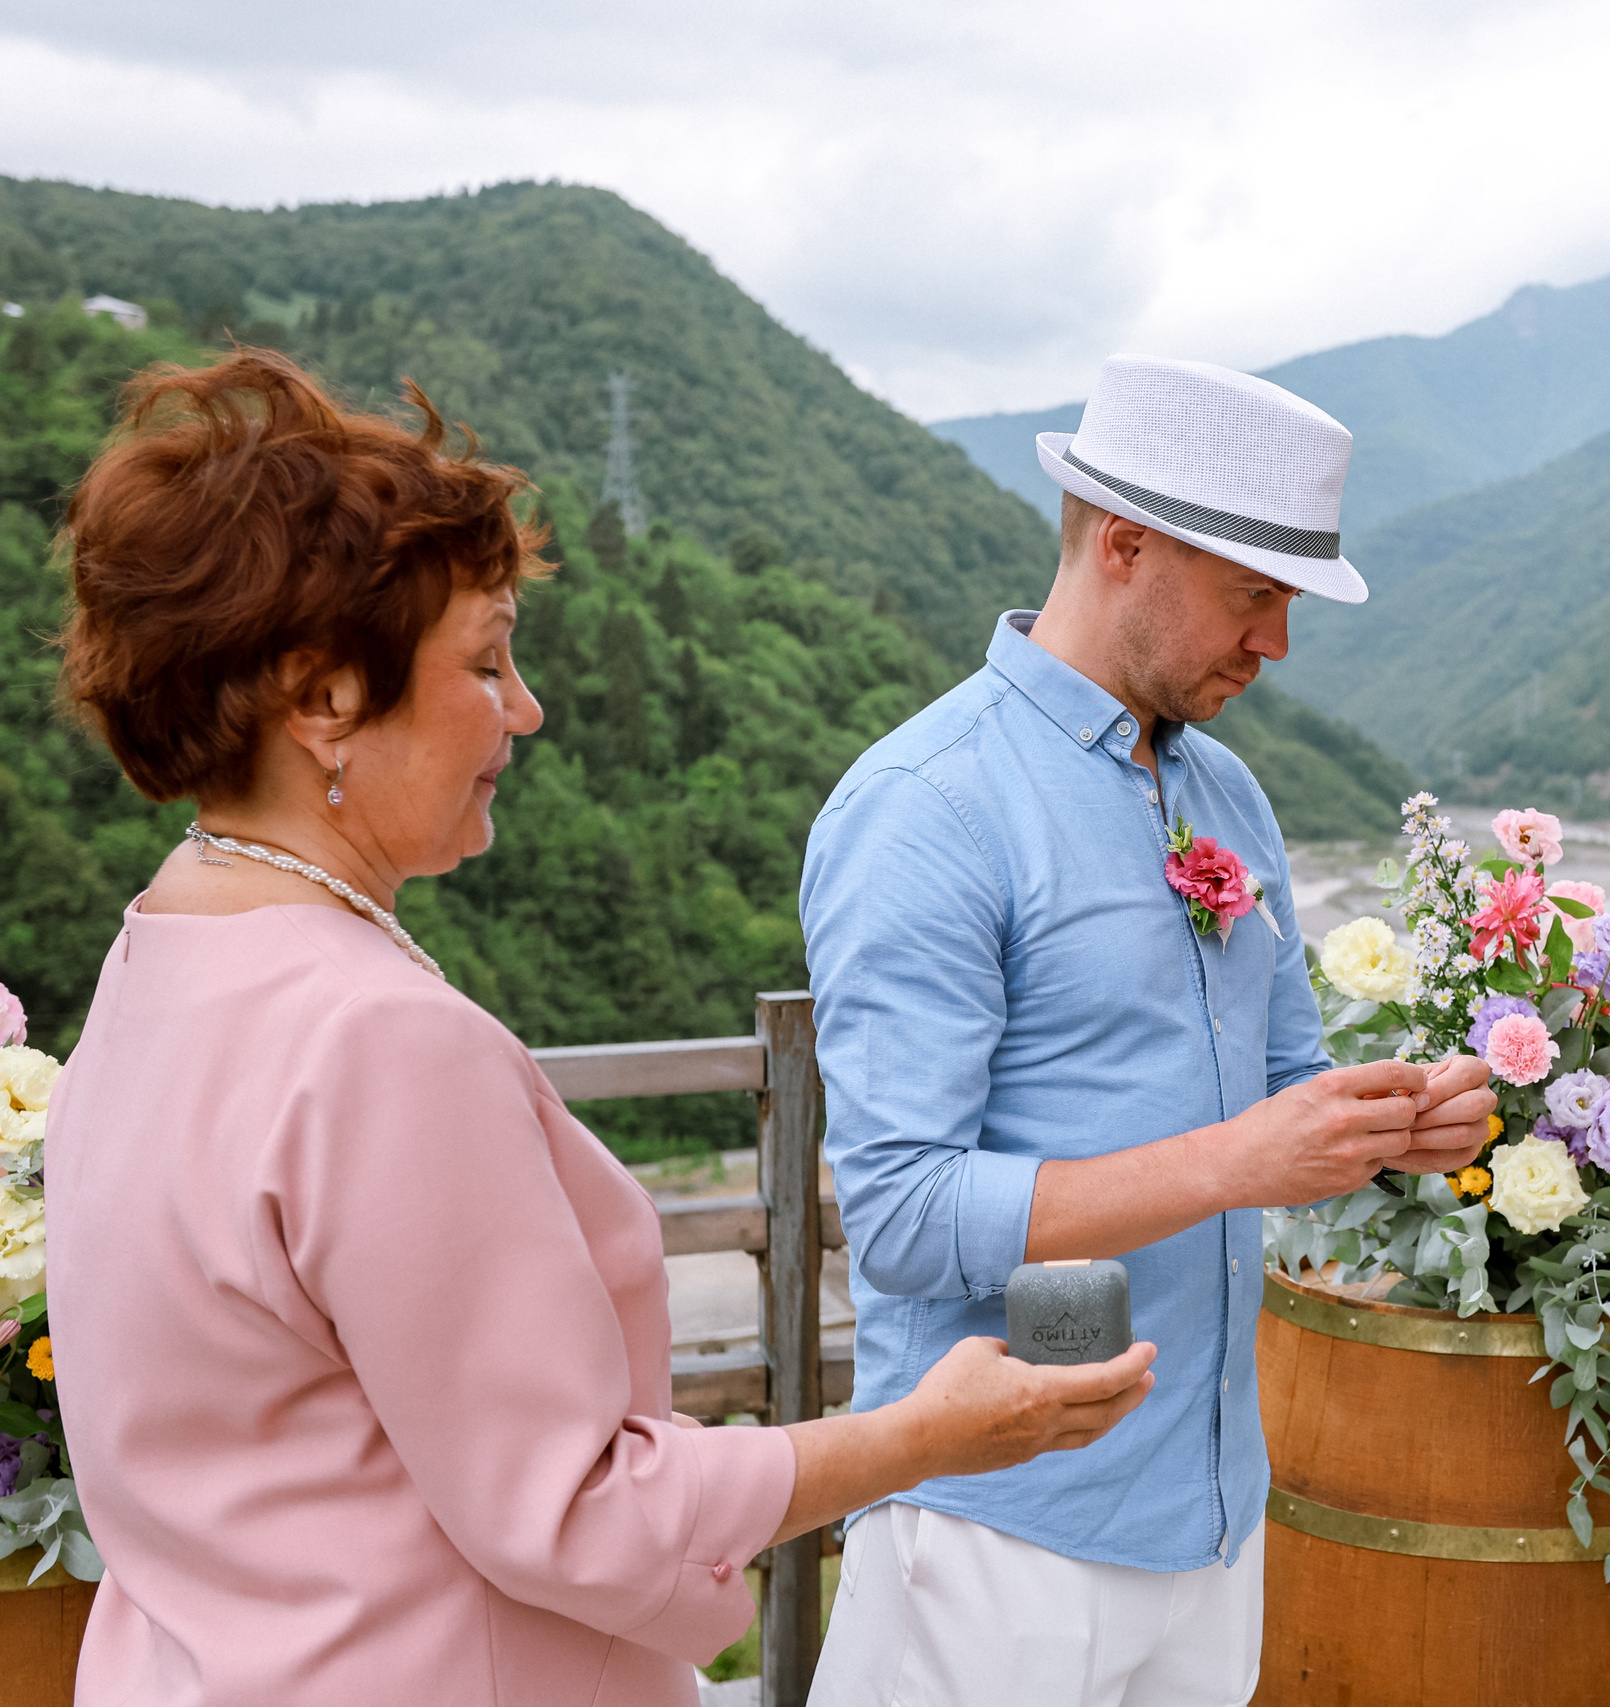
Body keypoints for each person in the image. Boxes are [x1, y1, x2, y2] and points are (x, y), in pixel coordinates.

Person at [41, 351, 1156, 1707]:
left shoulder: (161, 951)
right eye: (488, 662)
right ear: (323, 695)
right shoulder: (377, 1039)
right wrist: (924, 1434)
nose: (527, 709)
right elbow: (579, 1510)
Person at [799, 354, 1495, 1706]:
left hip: (1216, 1511)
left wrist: (1392, 1126)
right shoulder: (925, 807)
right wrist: (1243, 1160)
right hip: (1003, 1522)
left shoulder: (1226, 791)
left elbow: (1288, 1081)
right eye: (1256, 596)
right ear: (1125, 544)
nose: (1277, 642)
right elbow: (897, 1214)